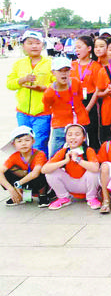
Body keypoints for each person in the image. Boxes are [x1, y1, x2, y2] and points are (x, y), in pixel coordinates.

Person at [6, 30, 53, 158]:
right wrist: (22, 80)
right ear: (23, 46)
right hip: (23, 113)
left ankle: (41, 168)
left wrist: (43, 88)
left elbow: (58, 84)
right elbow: (9, 84)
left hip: (42, 112)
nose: (34, 46)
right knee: (24, 144)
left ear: (43, 45)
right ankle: (27, 167)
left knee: (39, 144)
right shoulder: (19, 64)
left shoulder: (50, 63)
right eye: (30, 43)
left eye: (37, 43)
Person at [42, 123, 101, 210]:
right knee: (50, 172)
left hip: (85, 183)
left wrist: (78, 159)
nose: (73, 137)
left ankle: (92, 197)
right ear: (66, 137)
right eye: (70, 135)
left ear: (84, 138)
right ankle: (63, 197)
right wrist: (65, 161)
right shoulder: (64, 151)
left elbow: (96, 168)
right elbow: (44, 169)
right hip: (70, 184)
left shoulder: (88, 150)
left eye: (77, 134)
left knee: (93, 172)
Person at [43, 57, 90, 158]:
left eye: (66, 70)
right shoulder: (49, 93)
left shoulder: (76, 82)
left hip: (79, 121)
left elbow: (80, 98)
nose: (63, 73)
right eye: (60, 71)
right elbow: (46, 109)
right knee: (56, 155)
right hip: (61, 125)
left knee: (82, 152)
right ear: (53, 72)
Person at [0, 126, 50, 207]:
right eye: (19, 141)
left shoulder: (39, 154)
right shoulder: (14, 156)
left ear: (33, 141)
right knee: (6, 172)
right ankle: (20, 196)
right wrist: (11, 189)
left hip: (39, 183)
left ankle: (43, 195)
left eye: (27, 140)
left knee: (40, 172)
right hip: (24, 184)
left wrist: (18, 183)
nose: (23, 143)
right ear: (14, 144)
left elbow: (35, 173)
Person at [72, 36, 102, 150]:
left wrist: (88, 108)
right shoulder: (72, 65)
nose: (77, 50)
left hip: (91, 102)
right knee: (76, 134)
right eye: (76, 48)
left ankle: (93, 156)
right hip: (75, 102)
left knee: (92, 134)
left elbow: (97, 90)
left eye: (79, 47)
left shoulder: (95, 66)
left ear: (89, 48)